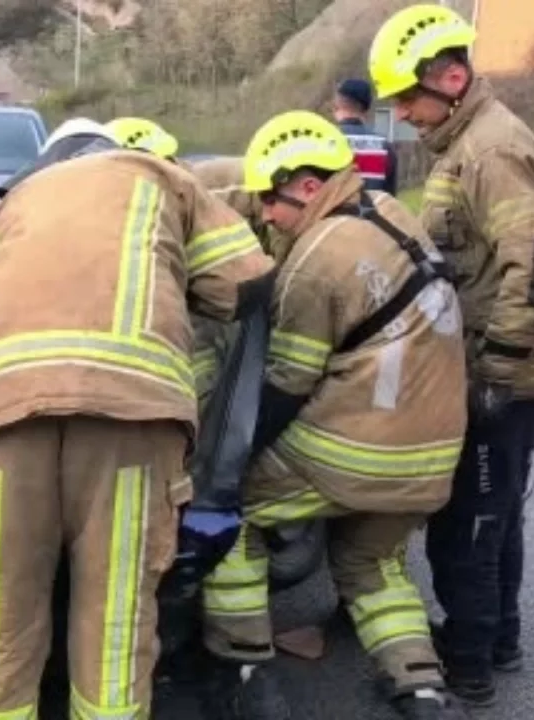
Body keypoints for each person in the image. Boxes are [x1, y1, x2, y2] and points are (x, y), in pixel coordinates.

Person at [0, 117, 275, 720]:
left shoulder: (13, 202)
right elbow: (247, 282)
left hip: (5, 422)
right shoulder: (157, 177)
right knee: (115, 625)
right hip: (130, 426)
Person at [196, 110, 469, 720]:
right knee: (370, 563)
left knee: (229, 516)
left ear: (311, 186)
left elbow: (287, 385)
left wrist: (225, 466)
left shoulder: (315, 262)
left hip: (354, 448)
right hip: (431, 455)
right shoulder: (389, 212)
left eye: (275, 200)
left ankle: (245, 671)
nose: (267, 214)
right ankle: (421, 688)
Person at [369, 4, 534, 707]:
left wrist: (498, 373)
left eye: (409, 98)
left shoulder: (490, 150)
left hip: (503, 378)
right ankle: (498, 636)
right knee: (500, 510)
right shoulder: (463, 142)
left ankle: (469, 662)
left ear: (451, 78)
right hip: (496, 367)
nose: (403, 114)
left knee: (471, 520)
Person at [332, 78, 399, 195]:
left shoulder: (324, 141)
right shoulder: (384, 147)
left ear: (336, 105)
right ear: (366, 108)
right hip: (374, 212)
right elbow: (390, 199)